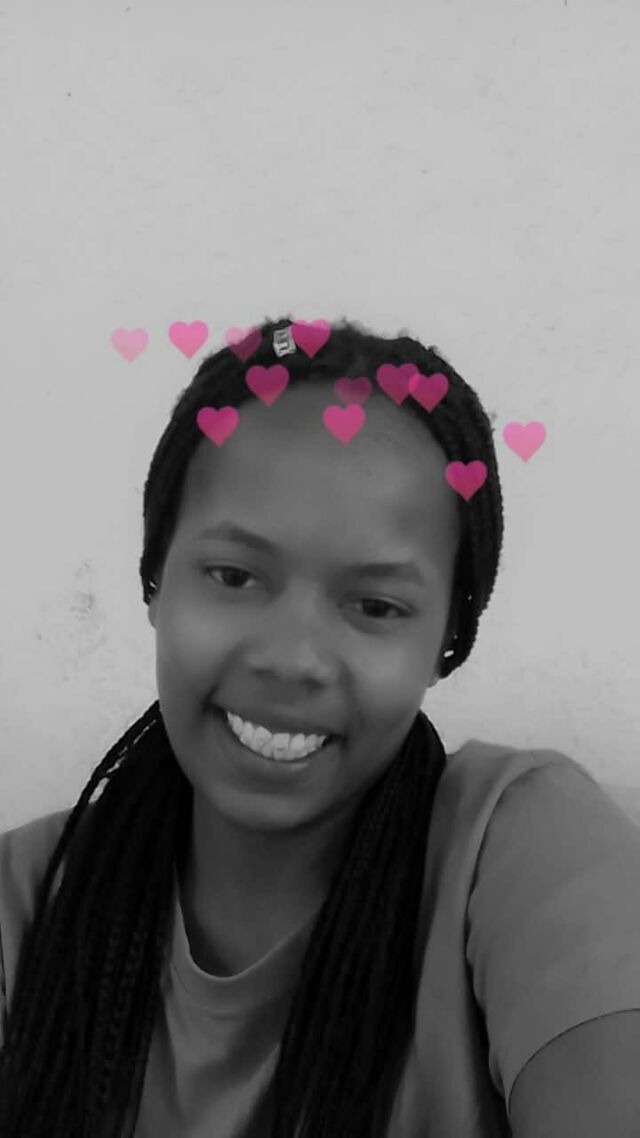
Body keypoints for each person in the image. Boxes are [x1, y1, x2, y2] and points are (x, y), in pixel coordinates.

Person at [1, 315, 640, 1138]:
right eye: (234, 575)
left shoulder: (520, 849)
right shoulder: (25, 903)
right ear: (155, 578)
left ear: (447, 639)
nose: (292, 660)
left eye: (375, 605)